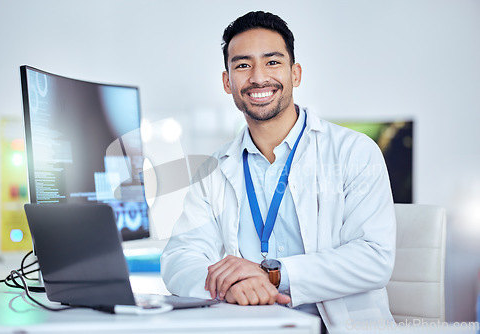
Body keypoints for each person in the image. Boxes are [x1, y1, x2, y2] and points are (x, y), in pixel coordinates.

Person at [161, 11, 396, 332]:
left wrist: (274, 274)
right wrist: (229, 283)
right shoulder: (213, 169)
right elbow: (179, 256)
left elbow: (374, 259)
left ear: (295, 73)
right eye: (243, 65)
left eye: (272, 62)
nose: (258, 77)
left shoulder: (354, 151)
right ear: (227, 82)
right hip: (251, 325)